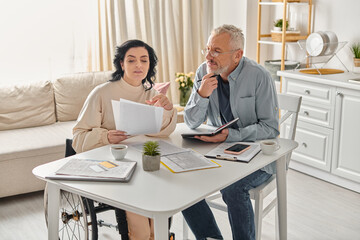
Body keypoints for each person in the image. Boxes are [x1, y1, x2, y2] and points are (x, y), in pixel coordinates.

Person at [182, 25, 279, 240]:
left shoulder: (259, 76)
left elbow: (270, 128)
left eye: (216, 50)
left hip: (259, 157)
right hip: (219, 153)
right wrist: (202, 94)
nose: (208, 56)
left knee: (233, 189)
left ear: (238, 55)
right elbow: (191, 120)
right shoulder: (203, 71)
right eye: (207, 49)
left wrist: (230, 136)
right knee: (182, 180)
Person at [73, 39, 177, 240]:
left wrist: (168, 109)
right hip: (115, 167)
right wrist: (106, 136)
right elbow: (78, 138)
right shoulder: (102, 93)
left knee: (159, 230)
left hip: (145, 164)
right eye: (131, 60)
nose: (138, 65)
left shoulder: (153, 94)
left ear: (149, 65)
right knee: (144, 232)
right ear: (122, 64)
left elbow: (164, 133)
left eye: (144, 60)